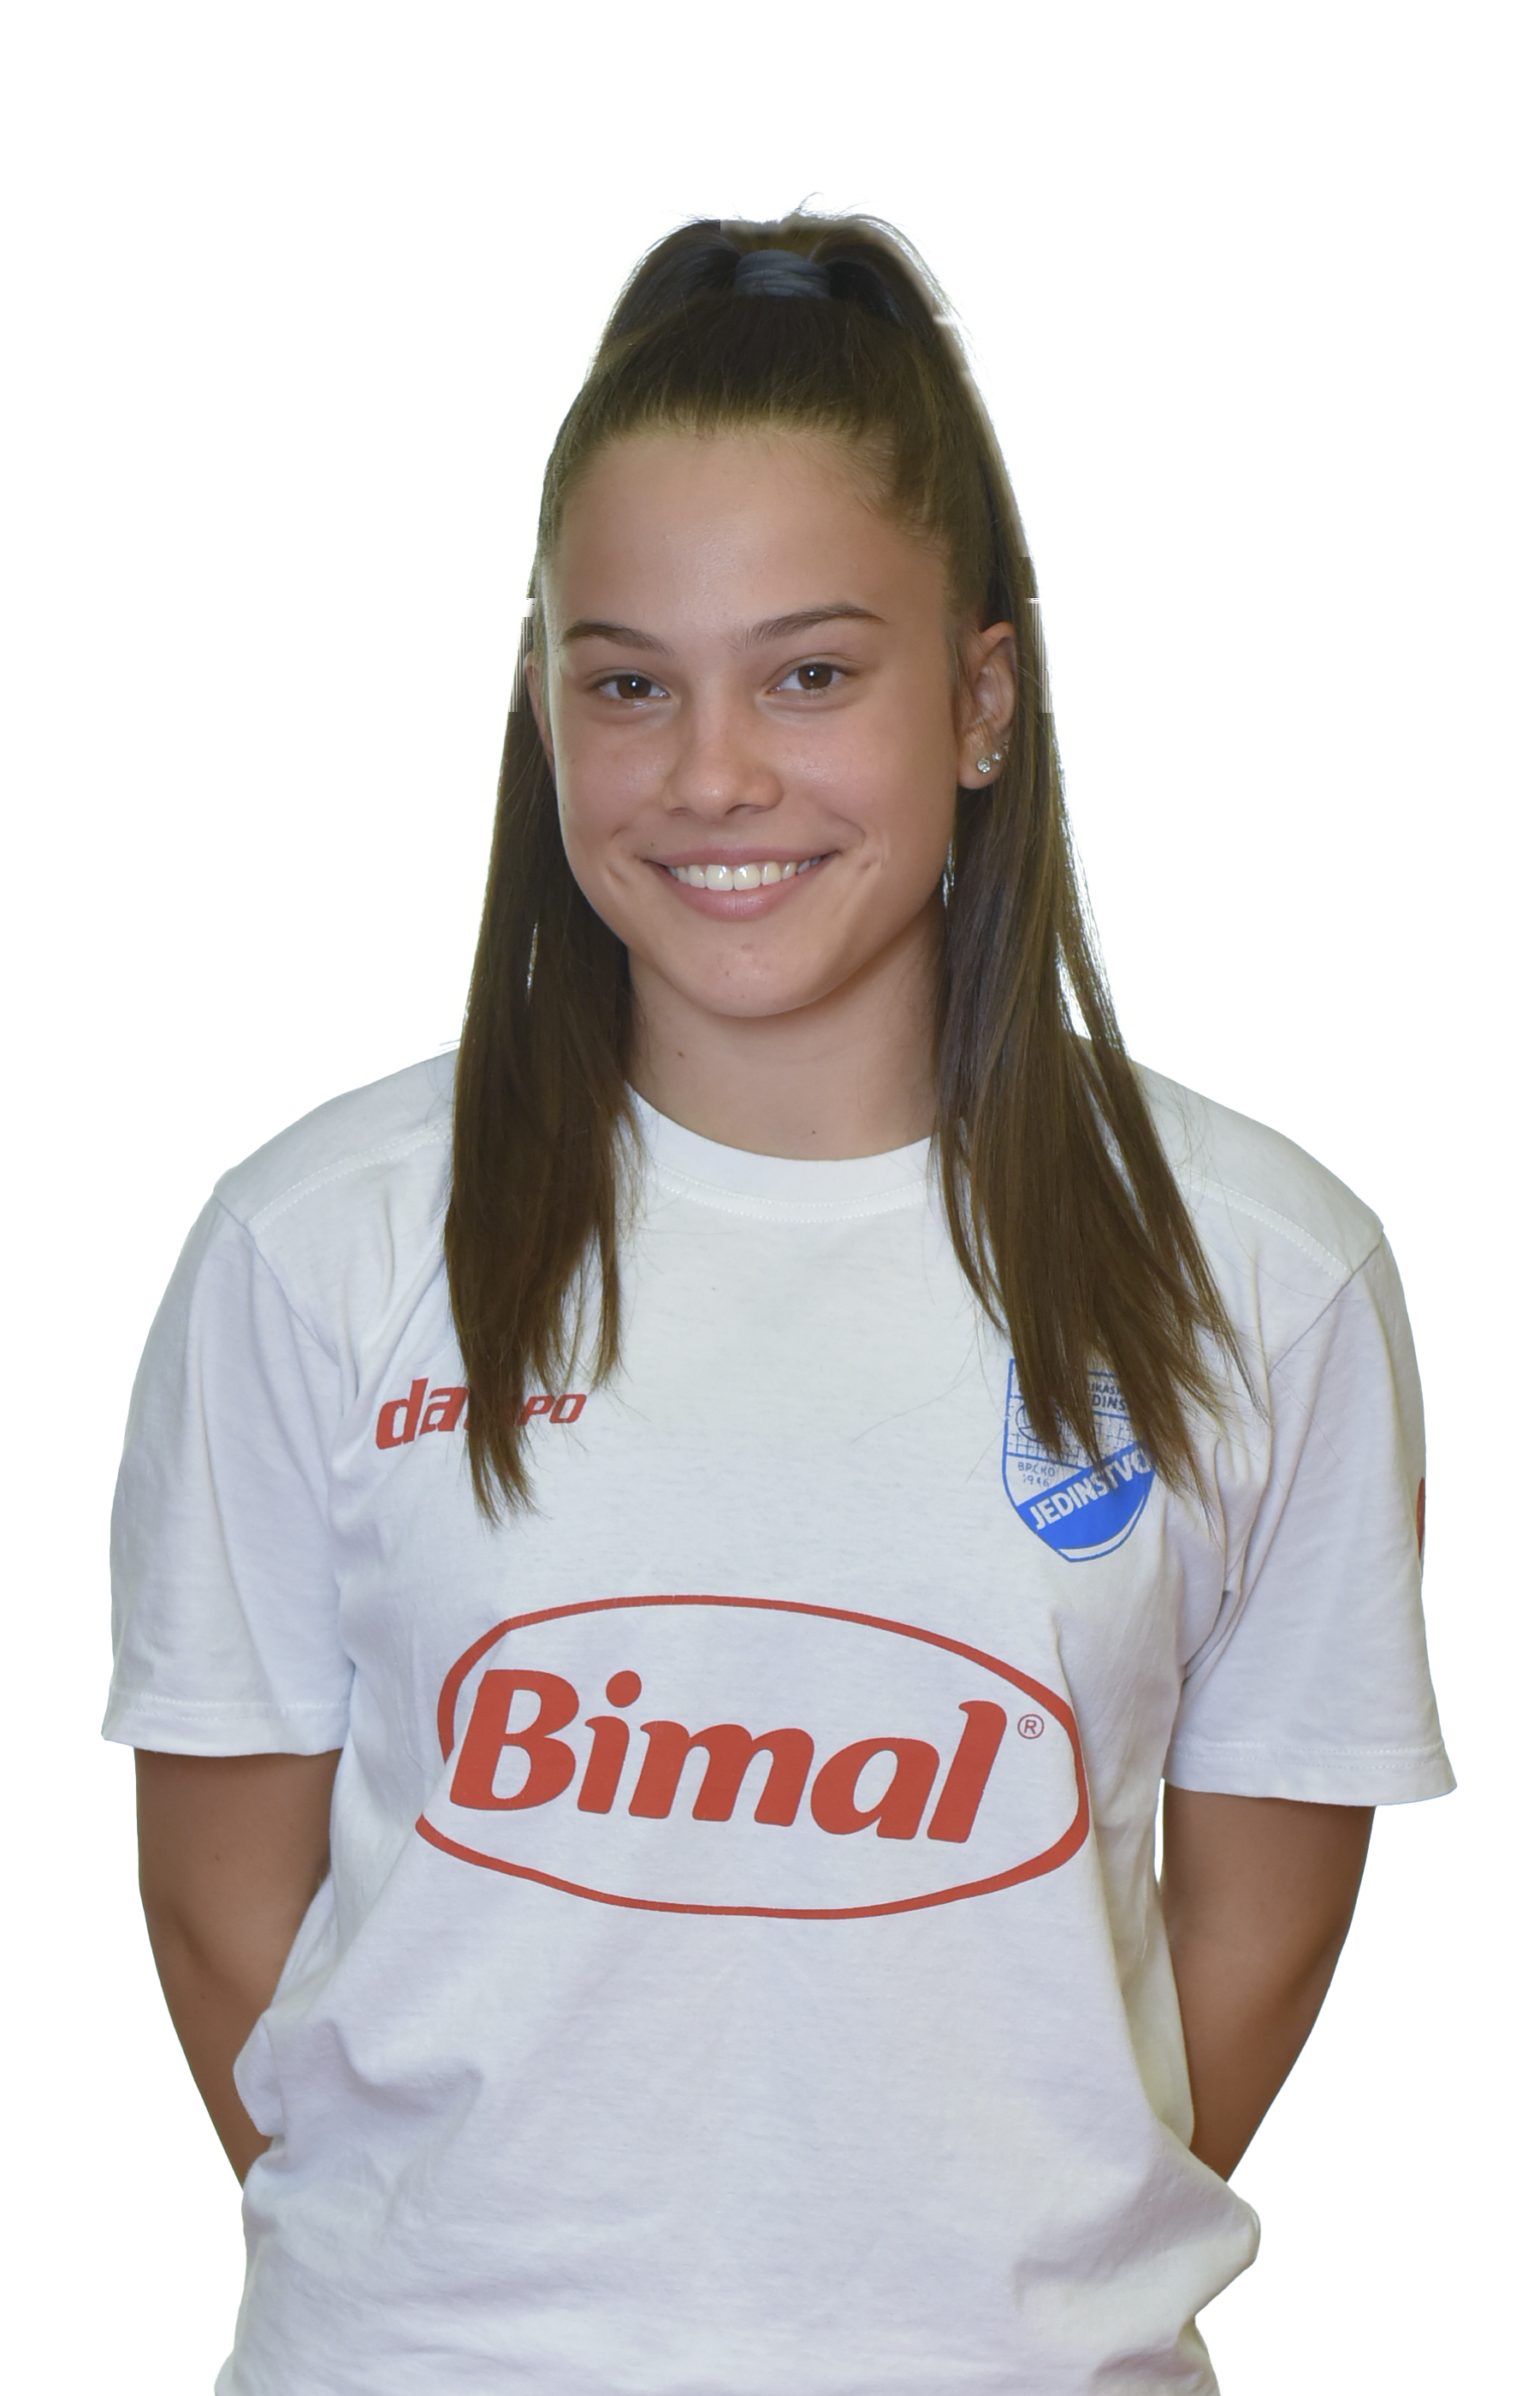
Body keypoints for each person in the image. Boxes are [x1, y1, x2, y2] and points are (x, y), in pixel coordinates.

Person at [108, 214, 1452, 2395]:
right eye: (628, 680)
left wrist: (950, 2290)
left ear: (983, 699)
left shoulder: (1260, 1274)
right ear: (541, 699)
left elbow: (1258, 1925)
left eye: (810, 674)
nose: (711, 773)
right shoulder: (319, 1241)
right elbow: (218, 1901)